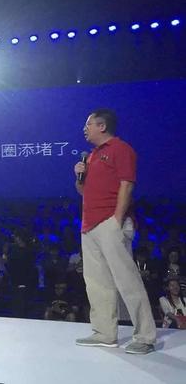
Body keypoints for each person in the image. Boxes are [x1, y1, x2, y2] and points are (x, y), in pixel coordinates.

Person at [73, 109, 156, 354]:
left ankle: (145, 336)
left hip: (111, 222)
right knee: (97, 282)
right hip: (89, 225)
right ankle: (104, 332)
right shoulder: (92, 156)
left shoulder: (121, 149)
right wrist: (78, 176)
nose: (85, 129)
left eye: (89, 124)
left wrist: (117, 220)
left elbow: (126, 185)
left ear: (102, 126)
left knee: (127, 279)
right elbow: (83, 191)